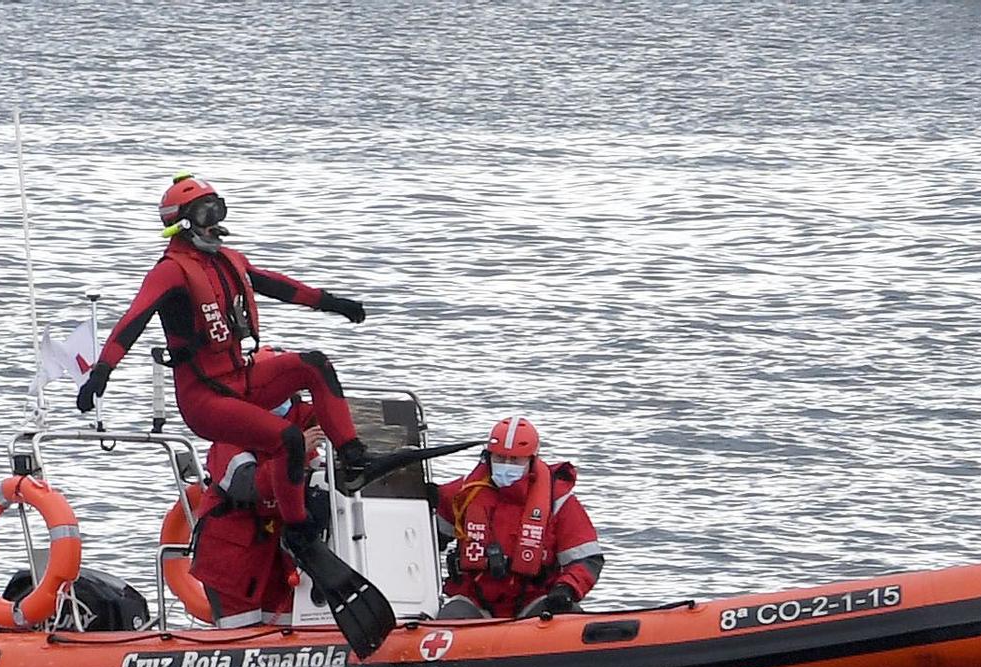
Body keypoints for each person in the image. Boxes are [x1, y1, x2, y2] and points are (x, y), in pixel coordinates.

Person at [77, 173, 380, 548]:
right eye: (206, 213)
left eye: (218, 210)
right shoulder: (170, 271)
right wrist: (101, 372)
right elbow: (131, 322)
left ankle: (353, 456)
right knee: (288, 439)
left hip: (243, 378)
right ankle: (298, 528)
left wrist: (333, 303)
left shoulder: (229, 260)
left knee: (314, 364)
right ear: (182, 223)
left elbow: (280, 286)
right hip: (205, 399)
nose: (215, 221)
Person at [434, 417, 604, 619]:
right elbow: (430, 538)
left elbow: (586, 558)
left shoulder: (557, 500)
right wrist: (424, 500)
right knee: (449, 619)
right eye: (500, 458)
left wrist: (566, 589)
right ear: (488, 457)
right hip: (473, 600)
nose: (506, 465)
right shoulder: (464, 493)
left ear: (532, 459)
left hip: (536, 601)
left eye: (515, 460)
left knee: (568, 620)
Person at [190, 392, 324, 628]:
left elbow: (319, 475)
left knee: (286, 627)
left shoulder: (294, 434)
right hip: (232, 557)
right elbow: (247, 485)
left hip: (275, 553)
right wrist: (293, 453)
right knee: (239, 633)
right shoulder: (229, 438)